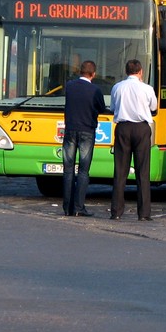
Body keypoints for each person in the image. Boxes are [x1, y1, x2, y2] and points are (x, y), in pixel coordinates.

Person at [110, 59, 158, 221]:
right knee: (142, 171)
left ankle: (116, 211)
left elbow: (113, 108)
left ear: (126, 71)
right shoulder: (147, 88)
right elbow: (153, 107)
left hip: (123, 127)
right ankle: (144, 213)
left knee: (120, 171)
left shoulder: (117, 87)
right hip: (141, 128)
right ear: (140, 72)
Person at [62, 60, 107, 217]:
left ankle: (67, 208)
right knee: (83, 171)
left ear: (79, 71)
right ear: (93, 74)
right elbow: (102, 108)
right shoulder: (95, 90)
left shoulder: (70, 86)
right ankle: (79, 208)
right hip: (87, 131)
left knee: (68, 170)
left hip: (70, 131)